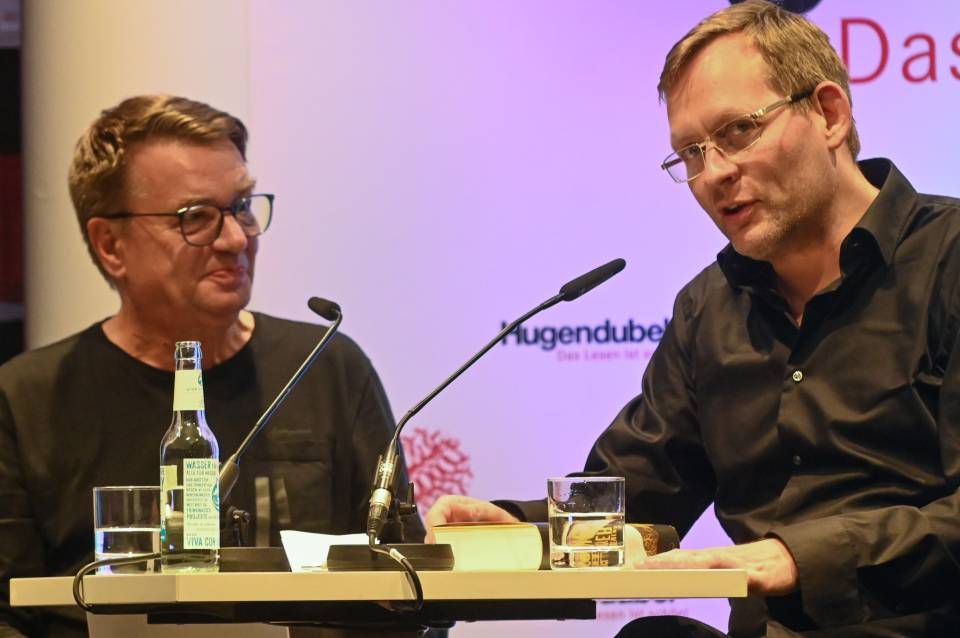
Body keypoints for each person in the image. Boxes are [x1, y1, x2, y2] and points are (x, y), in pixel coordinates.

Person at [427, 2, 960, 636]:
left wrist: (801, 557)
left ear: (828, 113)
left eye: (738, 131)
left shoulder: (948, 260)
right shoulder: (709, 307)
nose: (714, 174)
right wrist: (524, 533)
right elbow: (640, 491)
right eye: (691, 153)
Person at [0, 95, 422, 637]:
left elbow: (406, 589)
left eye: (242, 206)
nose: (236, 238)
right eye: (196, 218)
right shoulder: (28, 398)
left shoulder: (325, 367)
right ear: (111, 245)